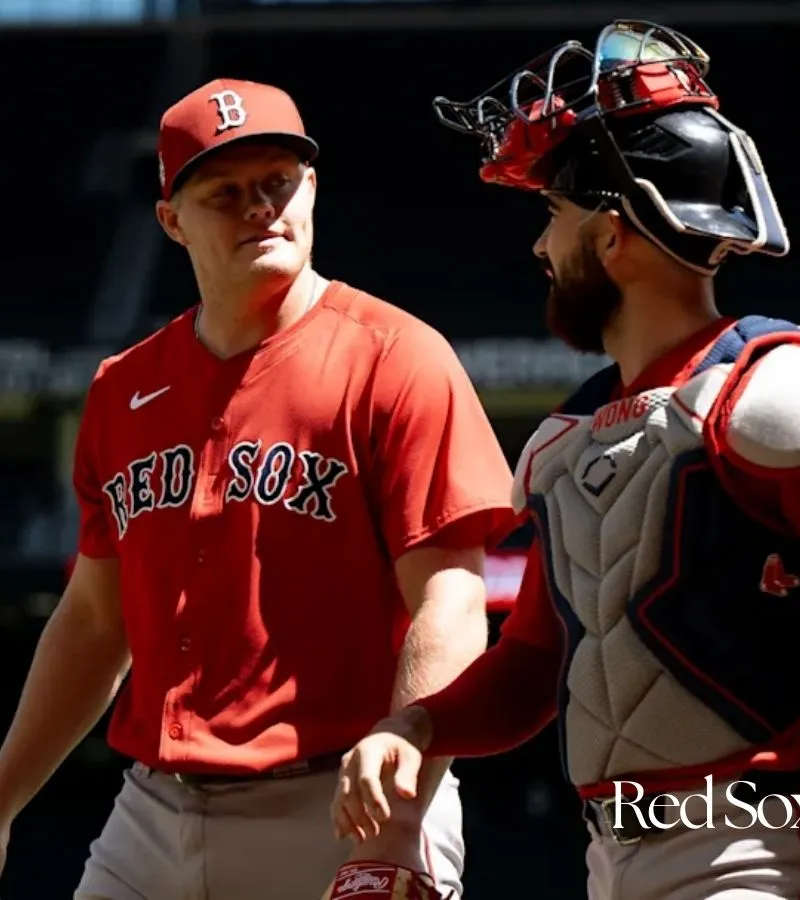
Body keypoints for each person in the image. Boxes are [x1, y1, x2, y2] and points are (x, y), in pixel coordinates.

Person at [331, 21, 800, 899]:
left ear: (613, 233)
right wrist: (416, 724)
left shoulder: (782, 395)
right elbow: (535, 666)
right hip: (613, 857)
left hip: (768, 849)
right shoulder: (571, 436)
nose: (538, 249)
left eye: (553, 215)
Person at [0, 78, 515, 900]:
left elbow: (450, 599)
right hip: (153, 808)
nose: (260, 208)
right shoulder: (120, 388)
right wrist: (2, 796)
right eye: (225, 192)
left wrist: (406, 786)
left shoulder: (397, 358)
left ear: (311, 188)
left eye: (279, 182)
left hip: (342, 799)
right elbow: (97, 620)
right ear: (172, 221)